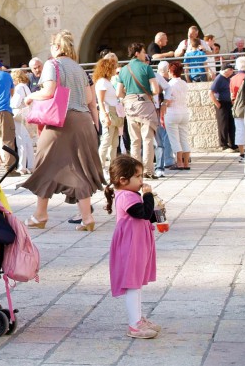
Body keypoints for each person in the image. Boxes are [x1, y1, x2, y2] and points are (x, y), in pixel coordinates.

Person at [21, 30, 104, 231]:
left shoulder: (52, 64)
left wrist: (31, 97)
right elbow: (89, 100)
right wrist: (96, 125)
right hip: (84, 121)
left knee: (44, 163)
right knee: (79, 169)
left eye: (51, 46)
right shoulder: (78, 69)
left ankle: (40, 215)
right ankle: (87, 217)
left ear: (57, 47)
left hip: (61, 121)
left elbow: (49, 92)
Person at [105, 155, 160, 340]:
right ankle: (134, 324)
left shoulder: (131, 194)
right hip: (130, 246)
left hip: (137, 243)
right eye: (138, 176)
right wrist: (148, 196)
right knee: (132, 284)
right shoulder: (126, 196)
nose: (141, 180)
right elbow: (143, 212)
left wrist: (158, 212)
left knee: (136, 284)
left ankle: (138, 319)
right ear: (123, 180)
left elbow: (148, 215)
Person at [116, 43, 160, 180]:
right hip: (145, 105)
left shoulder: (123, 70)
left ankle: (136, 172)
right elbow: (156, 89)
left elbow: (118, 92)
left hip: (130, 106)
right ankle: (148, 170)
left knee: (135, 140)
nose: (145, 54)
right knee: (147, 139)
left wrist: (130, 97)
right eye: (143, 52)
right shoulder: (146, 68)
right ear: (136, 53)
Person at [93, 57, 124, 173]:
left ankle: (112, 166)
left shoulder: (107, 82)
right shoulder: (102, 82)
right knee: (106, 140)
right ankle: (100, 166)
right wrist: (105, 115)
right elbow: (101, 101)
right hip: (108, 112)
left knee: (114, 142)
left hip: (113, 112)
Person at [163, 62, 191, 169]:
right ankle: (186, 163)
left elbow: (168, 101)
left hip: (172, 113)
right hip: (184, 112)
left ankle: (179, 162)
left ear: (170, 71)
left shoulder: (170, 84)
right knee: (184, 138)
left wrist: (162, 104)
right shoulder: (184, 83)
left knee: (174, 139)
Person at [10, 69, 34, 174]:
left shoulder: (19, 88)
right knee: (27, 141)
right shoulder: (26, 87)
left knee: (21, 142)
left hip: (18, 115)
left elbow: (15, 103)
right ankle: (31, 165)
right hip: (26, 113)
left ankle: (22, 167)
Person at [209, 64, 237, 152]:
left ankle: (232, 144)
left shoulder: (229, 78)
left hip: (229, 103)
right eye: (231, 70)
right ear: (226, 70)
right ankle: (223, 145)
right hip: (222, 103)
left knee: (231, 123)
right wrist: (217, 104)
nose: (232, 71)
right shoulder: (219, 78)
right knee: (223, 124)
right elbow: (210, 92)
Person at [153, 61, 174, 177]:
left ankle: (160, 164)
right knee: (160, 137)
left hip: (158, 109)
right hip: (158, 110)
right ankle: (164, 162)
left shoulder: (156, 76)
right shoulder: (157, 77)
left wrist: (164, 103)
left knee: (159, 138)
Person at [231, 57, 245, 163]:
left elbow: (232, 94)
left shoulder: (233, 78)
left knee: (240, 130)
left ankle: (242, 153)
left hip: (238, 106)